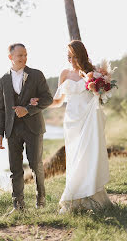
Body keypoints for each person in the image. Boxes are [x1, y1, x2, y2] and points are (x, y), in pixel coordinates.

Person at [30, 40, 112, 214]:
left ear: (81, 55)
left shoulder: (94, 73)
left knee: (89, 156)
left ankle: (92, 197)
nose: (71, 60)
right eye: (68, 56)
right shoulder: (65, 74)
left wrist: (100, 87)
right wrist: (40, 103)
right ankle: (75, 199)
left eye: (74, 56)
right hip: (72, 121)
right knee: (74, 157)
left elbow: (101, 96)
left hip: (89, 120)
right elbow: (58, 101)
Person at [0, 43, 53, 212]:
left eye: (25, 55)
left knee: (36, 165)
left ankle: (40, 201)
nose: (23, 58)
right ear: (10, 57)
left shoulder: (36, 75)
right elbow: (1, 109)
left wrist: (27, 109)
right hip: (12, 129)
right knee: (15, 169)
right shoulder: (2, 80)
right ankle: (18, 206)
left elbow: (48, 99)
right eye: (19, 55)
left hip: (33, 127)